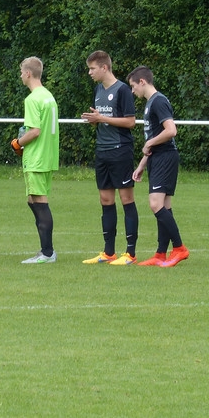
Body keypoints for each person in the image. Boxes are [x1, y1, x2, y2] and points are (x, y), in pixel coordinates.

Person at [80, 51, 139, 265]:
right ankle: (108, 252)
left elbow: (130, 122)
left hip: (120, 150)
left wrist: (101, 117)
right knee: (105, 200)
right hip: (102, 150)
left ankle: (130, 253)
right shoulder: (98, 90)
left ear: (104, 68)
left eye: (92, 68)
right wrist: (95, 120)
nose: (90, 72)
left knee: (126, 199)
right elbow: (103, 119)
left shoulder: (122, 90)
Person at [128, 66, 190, 267]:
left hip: (165, 157)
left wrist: (149, 143)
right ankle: (160, 253)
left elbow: (171, 130)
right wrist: (142, 164)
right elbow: (153, 140)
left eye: (133, 86)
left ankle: (179, 248)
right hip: (157, 157)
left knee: (155, 204)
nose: (132, 91)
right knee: (164, 206)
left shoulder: (158, 101)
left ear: (142, 82)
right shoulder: (150, 103)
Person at [13, 57, 60, 264]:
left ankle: (47, 253)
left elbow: (34, 131)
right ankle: (46, 250)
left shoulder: (32, 99)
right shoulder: (48, 96)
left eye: (21, 72)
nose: (20, 76)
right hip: (48, 156)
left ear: (28, 73)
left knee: (40, 202)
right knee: (33, 200)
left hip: (37, 157)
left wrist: (17, 143)